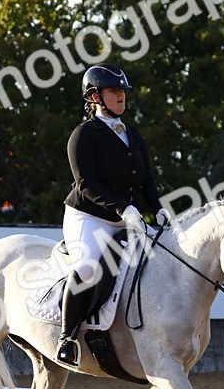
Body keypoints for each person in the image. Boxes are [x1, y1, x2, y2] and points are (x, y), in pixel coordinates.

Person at [56, 63, 171, 366]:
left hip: (128, 216)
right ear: (95, 96)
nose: (121, 96)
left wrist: (159, 210)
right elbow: (86, 184)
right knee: (89, 268)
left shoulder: (132, 134)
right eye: (114, 90)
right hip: (89, 216)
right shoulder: (83, 135)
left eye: (122, 91)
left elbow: (146, 181)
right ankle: (66, 339)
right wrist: (124, 208)